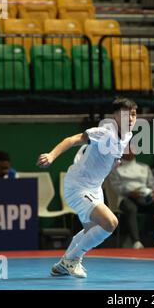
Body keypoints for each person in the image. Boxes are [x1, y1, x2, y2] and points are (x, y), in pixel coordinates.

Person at [37, 98, 137, 278]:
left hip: (95, 188)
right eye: (125, 114)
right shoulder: (105, 132)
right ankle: (71, 259)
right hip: (78, 186)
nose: (130, 118)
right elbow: (72, 139)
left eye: (133, 114)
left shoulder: (127, 135)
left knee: (92, 231)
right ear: (115, 116)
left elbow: (110, 156)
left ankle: (63, 265)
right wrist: (52, 155)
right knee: (110, 223)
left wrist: (114, 163)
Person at [109, 148, 154, 249]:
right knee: (130, 208)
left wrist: (153, 193)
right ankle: (136, 242)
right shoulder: (115, 169)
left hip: (147, 198)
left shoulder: (144, 167)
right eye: (127, 149)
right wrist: (132, 193)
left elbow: (152, 185)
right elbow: (116, 187)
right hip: (127, 198)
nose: (130, 151)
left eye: (132, 149)